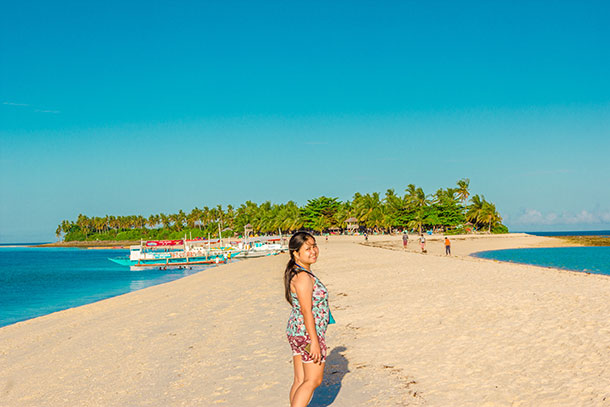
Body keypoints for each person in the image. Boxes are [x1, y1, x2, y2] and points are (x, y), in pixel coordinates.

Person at [284, 232, 331, 407]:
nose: (314, 251)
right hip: (307, 333)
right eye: (308, 248)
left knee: (300, 379)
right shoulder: (303, 277)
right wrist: (315, 341)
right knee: (313, 380)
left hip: (297, 331)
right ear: (296, 253)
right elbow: (306, 311)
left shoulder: (300, 272)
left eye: (314, 246)